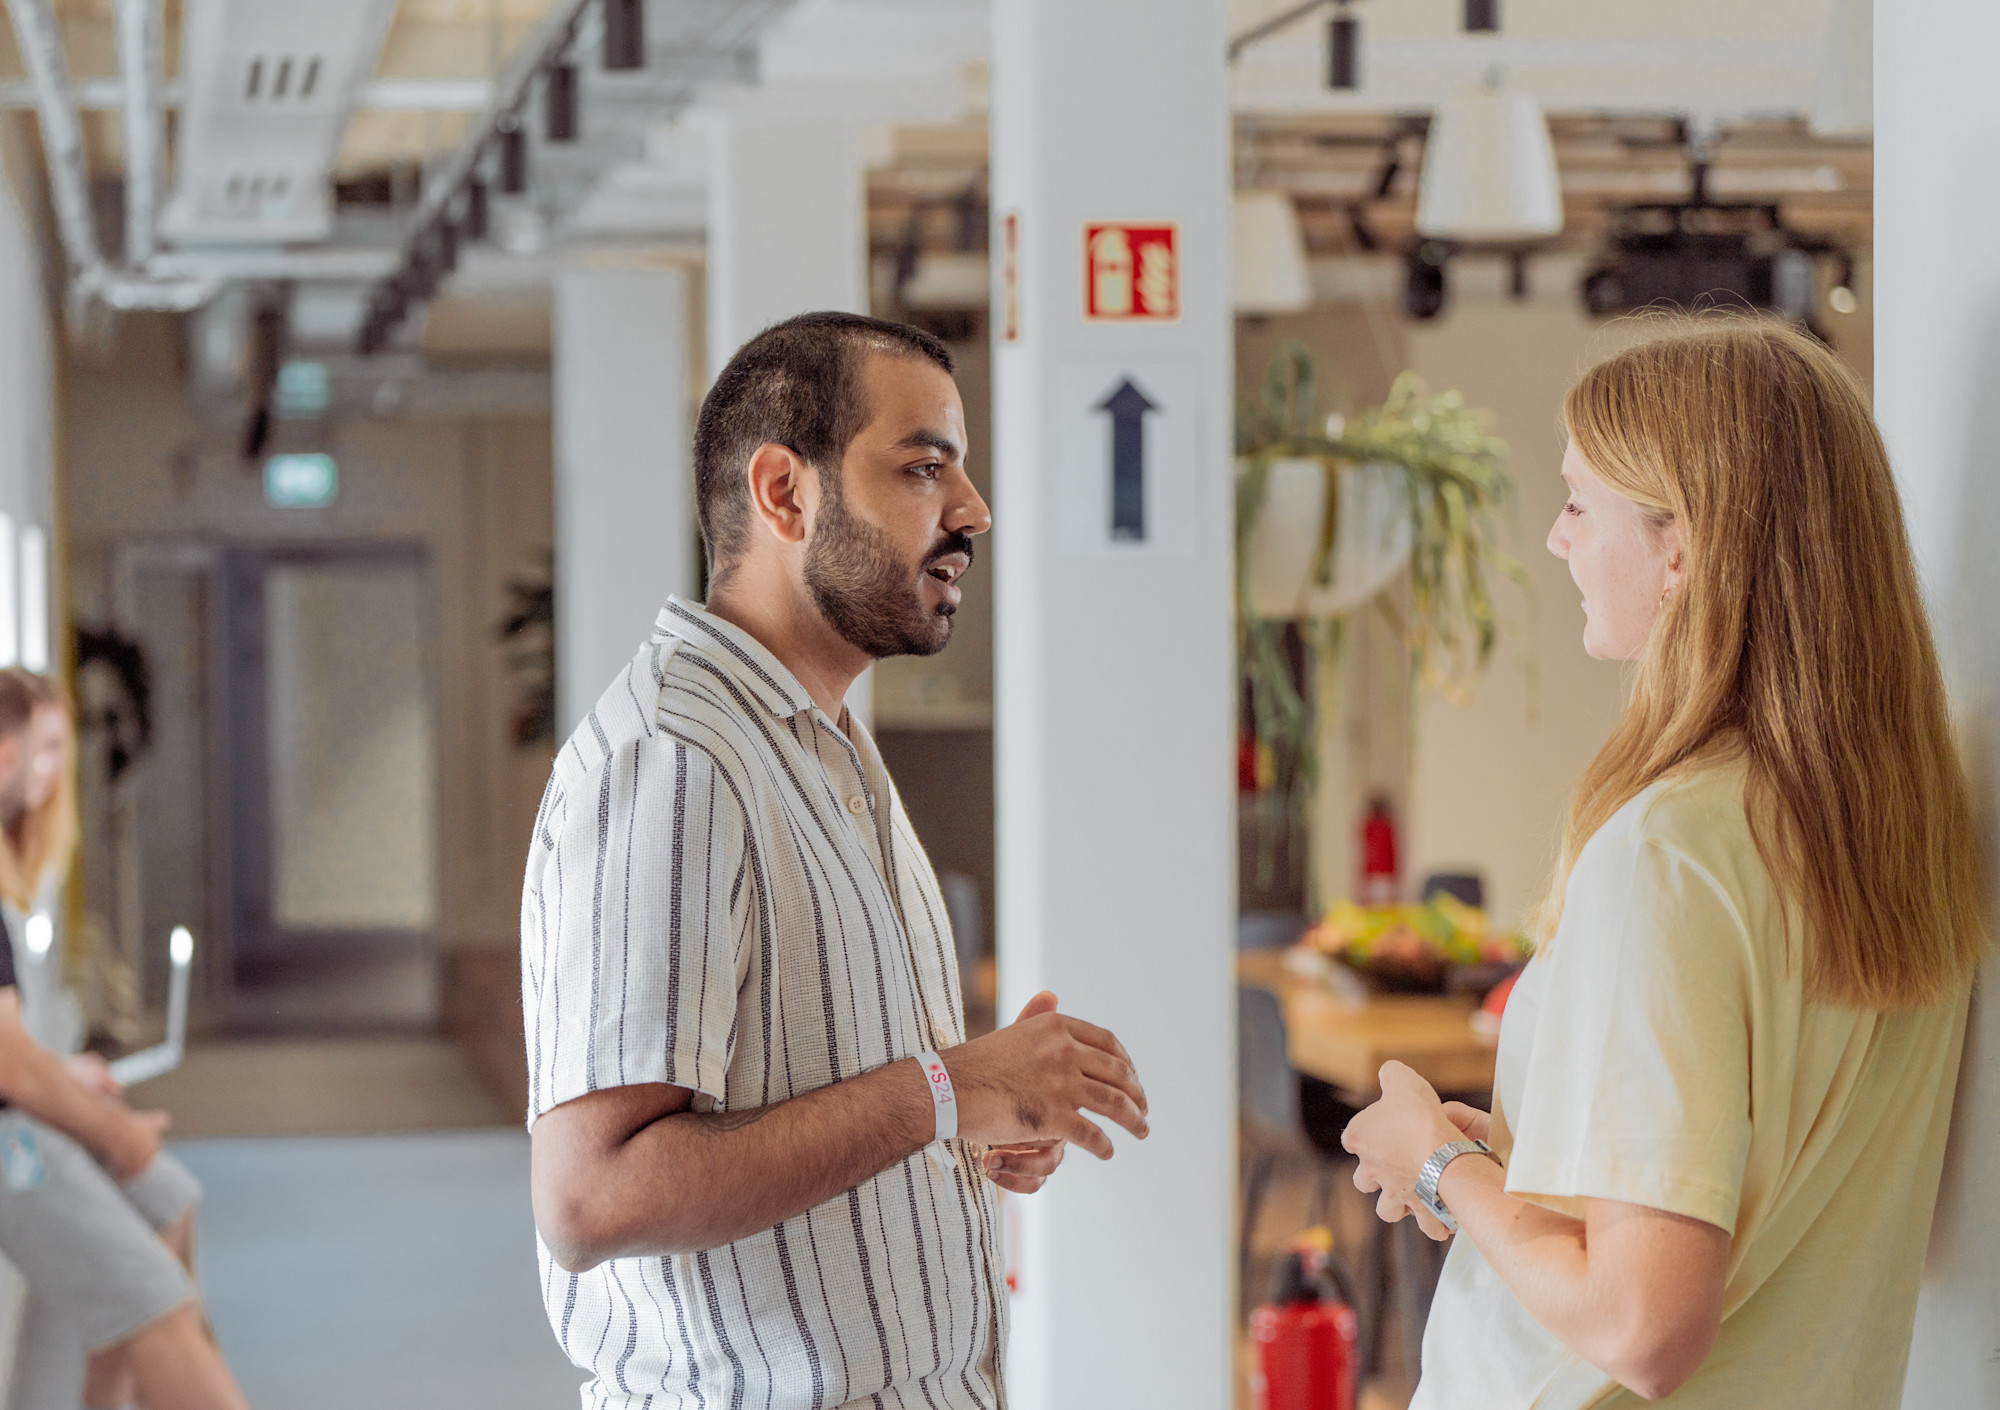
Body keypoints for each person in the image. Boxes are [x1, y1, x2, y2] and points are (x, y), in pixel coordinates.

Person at [1342, 315, 1981, 1407]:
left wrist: (1435, 1164)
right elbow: (1775, 1180)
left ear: (1679, 549)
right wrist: (1526, 1162)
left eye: (1578, 502)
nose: (1556, 538)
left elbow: (1643, 1325)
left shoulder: (1665, 854)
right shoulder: (1895, 838)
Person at [525, 312, 1150, 1410]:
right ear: (784, 494)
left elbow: (833, 1100)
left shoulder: (825, 742)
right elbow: (592, 1196)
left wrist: (966, 1125)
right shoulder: (676, 757)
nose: (972, 513)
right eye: (923, 468)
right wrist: (946, 1090)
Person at [0, 670, 248, 1409]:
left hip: (21, 1122)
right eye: (44, 748)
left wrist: (67, 1075)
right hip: (11, 1145)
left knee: (170, 1201)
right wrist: (117, 1135)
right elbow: (10, 1069)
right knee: (158, 1300)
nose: (54, 773)